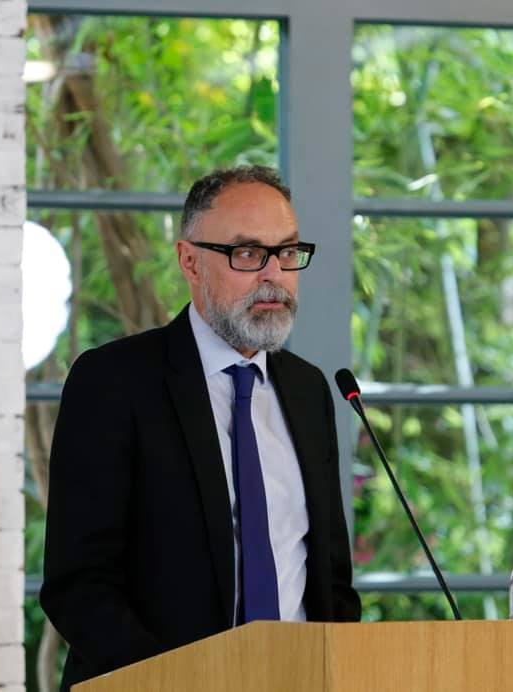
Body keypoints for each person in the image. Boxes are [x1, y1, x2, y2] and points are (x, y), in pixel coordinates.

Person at [40, 165, 362, 690]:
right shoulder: (114, 382)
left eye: (286, 252)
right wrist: (180, 682)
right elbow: (78, 585)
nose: (274, 274)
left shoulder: (308, 390)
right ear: (190, 261)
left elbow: (331, 581)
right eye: (247, 253)